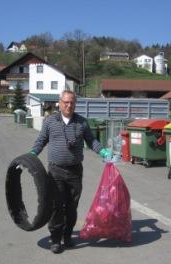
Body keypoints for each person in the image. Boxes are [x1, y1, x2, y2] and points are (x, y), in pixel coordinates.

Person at [30, 90, 112, 254]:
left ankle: (67, 236)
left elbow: (91, 140)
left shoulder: (82, 122)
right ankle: (55, 239)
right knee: (56, 207)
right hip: (55, 172)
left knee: (71, 207)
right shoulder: (50, 121)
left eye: (72, 102)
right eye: (66, 102)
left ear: (75, 104)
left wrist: (103, 152)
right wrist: (31, 155)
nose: (69, 105)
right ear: (59, 103)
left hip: (75, 172)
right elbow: (41, 141)